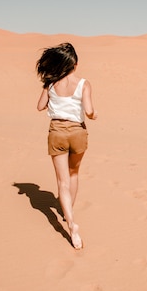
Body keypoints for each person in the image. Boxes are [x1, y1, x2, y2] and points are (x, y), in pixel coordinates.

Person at [36, 43, 97, 249]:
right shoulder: (84, 83)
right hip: (78, 132)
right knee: (73, 174)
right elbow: (89, 111)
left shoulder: (50, 83)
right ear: (75, 65)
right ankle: (67, 210)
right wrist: (94, 114)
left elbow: (39, 106)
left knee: (62, 182)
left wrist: (48, 88)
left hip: (57, 132)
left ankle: (71, 226)